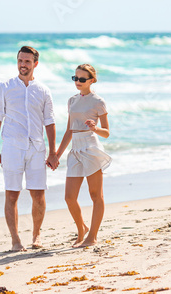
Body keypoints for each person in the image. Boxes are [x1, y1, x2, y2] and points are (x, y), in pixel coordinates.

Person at [0, 46, 59, 252]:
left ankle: (36, 235)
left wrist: (53, 152)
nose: (23, 65)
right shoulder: (5, 86)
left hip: (37, 148)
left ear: (35, 64)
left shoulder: (43, 90)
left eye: (27, 61)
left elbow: (50, 121)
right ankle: (15, 240)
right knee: (12, 195)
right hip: (12, 147)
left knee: (38, 194)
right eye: (20, 60)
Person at [56, 64, 112, 248]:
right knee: (69, 197)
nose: (77, 82)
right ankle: (82, 230)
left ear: (92, 80)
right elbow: (68, 130)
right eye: (75, 78)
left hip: (90, 146)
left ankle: (92, 237)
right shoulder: (71, 100)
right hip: (75, 149)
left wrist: (95, 128)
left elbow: (106, 133)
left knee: (96, 195)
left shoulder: (98, 101)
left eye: (82, 79)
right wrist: (57, 154)